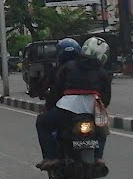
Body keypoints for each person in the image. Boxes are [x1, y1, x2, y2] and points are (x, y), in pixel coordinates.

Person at [35, 37, 112, 170]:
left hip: (69, 106)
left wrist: (50, 106)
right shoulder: (103, 73)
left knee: (42, 122)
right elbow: (106, 98)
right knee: (103, 127)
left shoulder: (68, 67)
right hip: (94, 107)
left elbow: (57, 91)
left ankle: (51, 157)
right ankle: (99, 156)